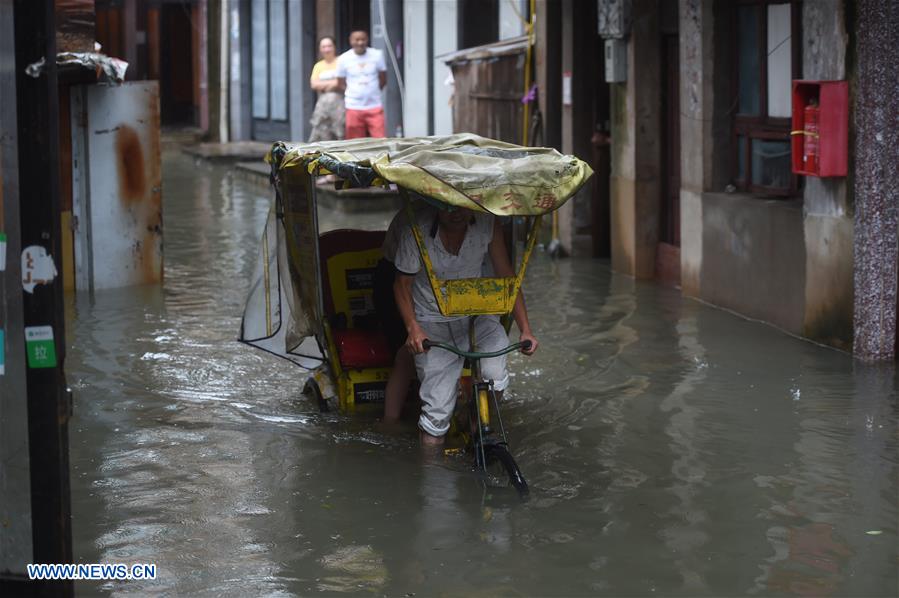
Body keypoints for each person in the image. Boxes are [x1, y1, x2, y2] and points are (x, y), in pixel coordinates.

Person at [393, 206, 539, 445]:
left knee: (496, 378)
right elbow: (402, 284)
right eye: (447, 206)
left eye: (460, 206)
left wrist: (526, 329)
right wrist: (413, 328)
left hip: (477, 314)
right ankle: (431, 477)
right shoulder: (415, 230)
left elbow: (506, 275)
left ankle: (471, 418)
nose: (455, 213)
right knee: (436, 418)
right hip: (431, 320)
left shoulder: (487, 223)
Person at [373, 210, 415, 424]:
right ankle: (390, 420)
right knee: (405, 351)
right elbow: (401, 282)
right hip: (396, 277)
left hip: (440, 288)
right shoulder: (413, 221)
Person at [336, 30, 387, 139]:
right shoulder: (343, 59)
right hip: (353, 106)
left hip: (374, 105)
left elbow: (383, 78)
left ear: (367, 40)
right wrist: (354, 92)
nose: (360, 42)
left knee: (380, 140)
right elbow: (340, 83)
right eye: (357, 40)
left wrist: (372, 91)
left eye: (363, 39)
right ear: (351, 41)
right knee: (354, 142)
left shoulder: (377, 55)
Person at [308, 36, 344, 142]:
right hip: (323, 105)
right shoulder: (318, 66)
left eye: (329, 46)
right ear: (320, 49)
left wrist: (324, 85)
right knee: (322, 132)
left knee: (340, 132)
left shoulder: (341, 62)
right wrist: (333, 83)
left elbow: (342, 82)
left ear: (334, 47)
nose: (327, 49)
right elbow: (314, 85)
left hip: (340, 103)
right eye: (323, 46)